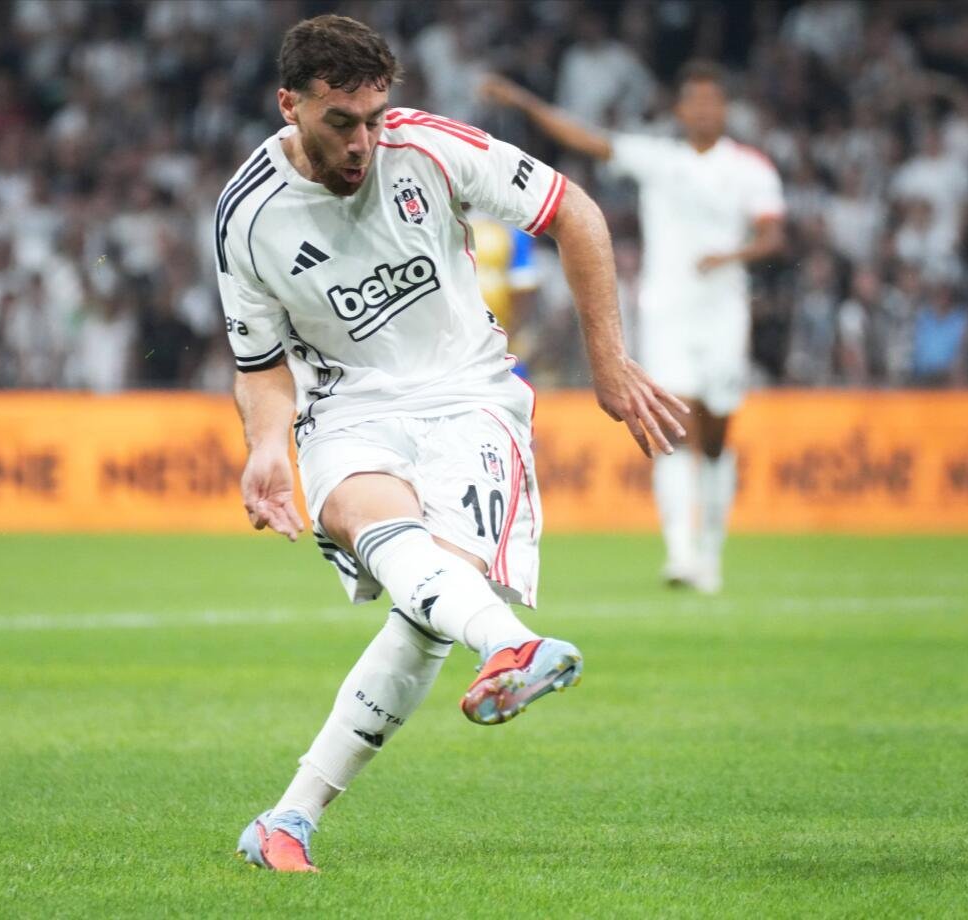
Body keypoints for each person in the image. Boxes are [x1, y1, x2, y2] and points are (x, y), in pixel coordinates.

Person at [217, 15, 685, 873]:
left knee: (429, 611)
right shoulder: (247, 216)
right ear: (289, 105)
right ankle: (508, 643)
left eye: (373, 119)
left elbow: (574, 213)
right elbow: (259, 364)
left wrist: (609, 362)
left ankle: (286, 819)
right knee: (374, 526)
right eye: (339, 122)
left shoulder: (429, 148)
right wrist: (264, 447)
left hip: (470, 397)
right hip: (347, 406)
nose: (361, 143)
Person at [482, 60, 785, 593]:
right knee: (673, 426)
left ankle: (710, 551)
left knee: (716, 434)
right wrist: (522, 101)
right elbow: (587, 139)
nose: (702, 110)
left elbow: (772, 236)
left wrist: (730, 255)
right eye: (693, 101)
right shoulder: (660, 159)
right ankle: (681, 554)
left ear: (724, 109)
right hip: (668, 313)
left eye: (711, 102)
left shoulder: (751, 168)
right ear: (680, 110)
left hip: (723, 312)